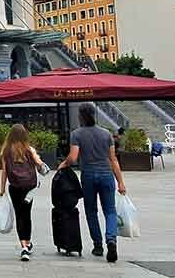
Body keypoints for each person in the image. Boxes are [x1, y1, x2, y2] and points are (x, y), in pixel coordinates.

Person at [58, 103, 127, 263]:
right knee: (110, 211)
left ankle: (98, 245)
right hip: (106, 175)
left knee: (91, 211)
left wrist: (64, 163)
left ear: (80, 116)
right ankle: (111, 240)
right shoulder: (106, 134)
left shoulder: (77, 134)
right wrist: (121, 182)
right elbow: (113, 159)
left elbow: (73, 157)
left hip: (88, 175)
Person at [0, 124, 47, 262]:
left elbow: (4, 172)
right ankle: (28, 242)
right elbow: (40, 165)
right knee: (27, 215)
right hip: (29, 188)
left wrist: (2, 189)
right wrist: (39, 161)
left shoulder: (6, 151)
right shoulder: (29, 150)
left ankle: (23, 247)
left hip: (15, 187)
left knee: (19, 215)